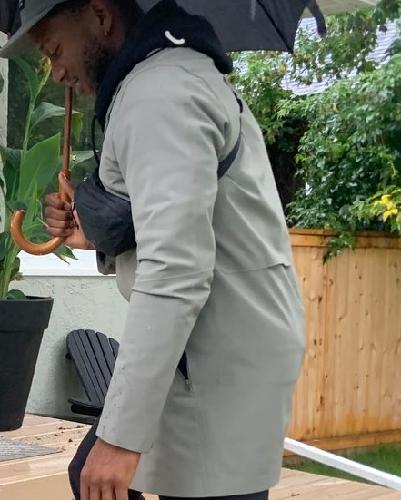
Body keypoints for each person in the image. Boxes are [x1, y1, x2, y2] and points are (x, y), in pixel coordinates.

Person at [0, 1, 305, 499]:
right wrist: (92, 232)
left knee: (106, 476)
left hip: (216, 359)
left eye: (55, 50)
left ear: (100, 15)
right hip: (217, 345)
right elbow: (180, 222)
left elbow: (176, 268)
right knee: (90, 475)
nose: (56, 73)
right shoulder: (158, 81)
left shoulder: (159, 96)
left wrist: (120, 439)